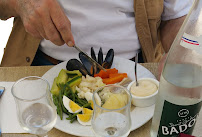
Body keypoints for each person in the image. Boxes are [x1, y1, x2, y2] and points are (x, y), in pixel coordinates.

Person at [0, 0, 193, 67]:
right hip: (39, 67)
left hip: (134, 70)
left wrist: (183, 59)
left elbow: (176, 16)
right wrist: (21, 3)